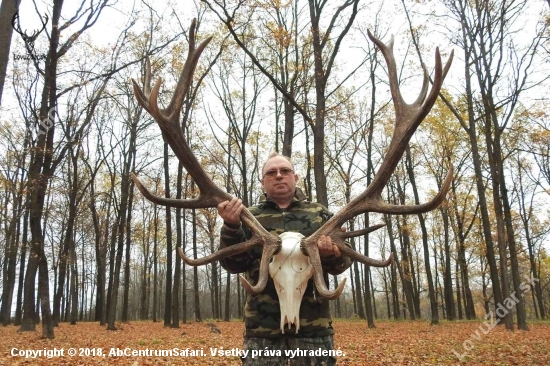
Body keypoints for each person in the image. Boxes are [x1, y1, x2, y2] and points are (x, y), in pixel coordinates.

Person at [217, 152, 351, 366]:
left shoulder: (320, 214)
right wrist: (231, 227)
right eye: (271, 173)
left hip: (313, 329)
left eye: (285, 171)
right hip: (262, 329)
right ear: (262, 182)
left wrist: (331, 253)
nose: (278, 175)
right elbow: (233, 264)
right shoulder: (248, 217)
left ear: (295, 178)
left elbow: (342, 265)